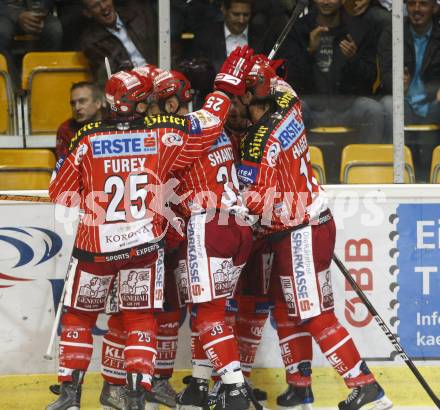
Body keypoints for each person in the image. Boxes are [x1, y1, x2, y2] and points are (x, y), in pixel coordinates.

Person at [45, 44, 253, 409]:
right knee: (141, 317)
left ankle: (70, 395)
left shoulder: (86, 137)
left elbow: (61, 194)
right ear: (143, 104)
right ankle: (137, 392)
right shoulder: (162, 137)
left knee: (81, 316)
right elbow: (206, 126)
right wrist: (223, 90)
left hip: (96, 247)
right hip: (144, 246)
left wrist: (91, 197)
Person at [236, 56, 393, 410]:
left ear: (250, 98)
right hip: (308, 225)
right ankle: (300, 388)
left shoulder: (257, 141)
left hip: (299, 231)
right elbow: (283, 85)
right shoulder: (290, 107)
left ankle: (365, 385)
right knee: (286, 308)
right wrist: (265, 70)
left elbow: (256, 202)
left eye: (241, 96)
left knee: (314, 312)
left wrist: (227, 208)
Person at [279, 0, 385, 142]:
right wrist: (309, 52)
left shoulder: (359, 29)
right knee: (292, 108)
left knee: (373, 110)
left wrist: (353, 59)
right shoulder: (298, 29)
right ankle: (295, 164)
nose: (326, 2)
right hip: (311, 107)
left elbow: (370, 79)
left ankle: (369, 164)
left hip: (347, 107)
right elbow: (289, 79)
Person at [379, 0, 440, 134]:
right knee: (389, 104)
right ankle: (396, 155)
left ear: (434, 8)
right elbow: (385, 73)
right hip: (403, 101)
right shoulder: (392, 32)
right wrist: (398, 85)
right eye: (412, 3)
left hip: (432, 104)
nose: (416, 9)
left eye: (423, 4)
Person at [79, 0, 158, 86]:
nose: (103, 7)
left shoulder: (137, 15)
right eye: (95, 5)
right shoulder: (91, 41)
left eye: (105, 0)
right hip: (131, 87)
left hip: (159, 75)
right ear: (88, 13)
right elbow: (108, 74)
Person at [55, 81, 103, 160]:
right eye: (73, 103)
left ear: (98, 103)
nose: (77, 108)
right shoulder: (66, 129)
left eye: (82, 101)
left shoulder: (112, 123)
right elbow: (64, 165)